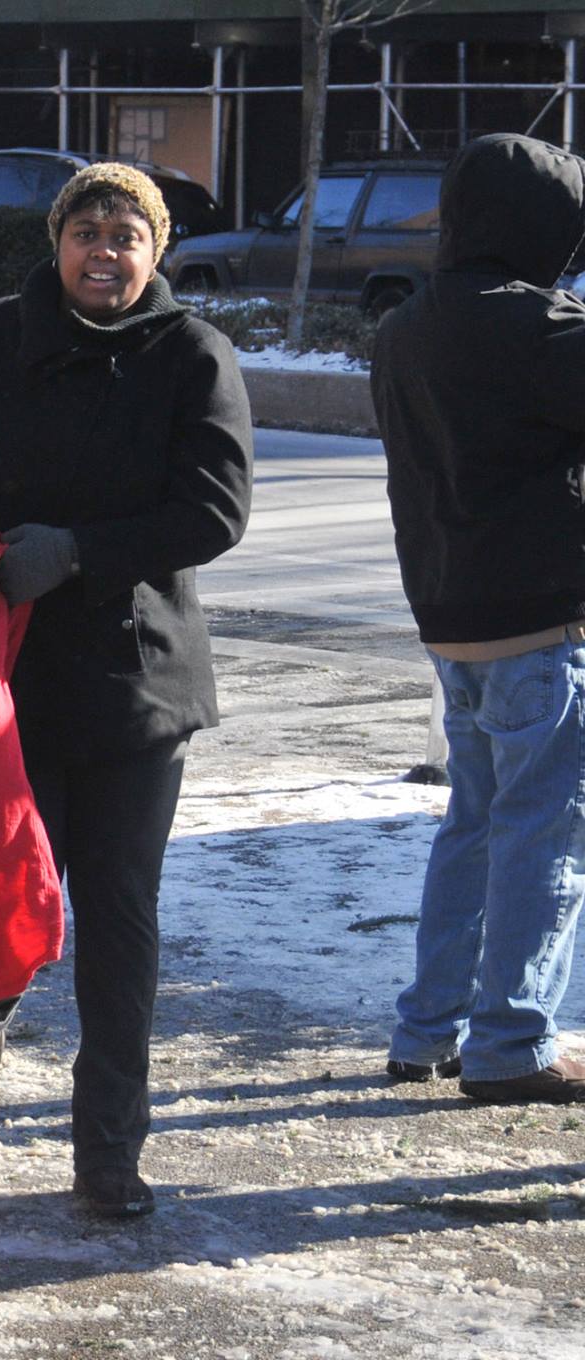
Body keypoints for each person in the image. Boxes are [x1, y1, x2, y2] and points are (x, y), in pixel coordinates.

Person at [0, 163, 252, 1217]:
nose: (105, 250)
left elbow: (212, 511)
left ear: (157, 254)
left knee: (115, 918)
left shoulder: (190, 355)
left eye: (127, 233)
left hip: (132, 686)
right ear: (55, 242)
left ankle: (108, 1147)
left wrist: (78, 553)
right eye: (86, 229)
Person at [372, 133, 585, 1104]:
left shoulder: (406, 326)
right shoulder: (537, 327)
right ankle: (511, 1043)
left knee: (471, 822)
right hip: (542, 621)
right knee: (544, 834)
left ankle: (426, 1027)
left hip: (449, 619)